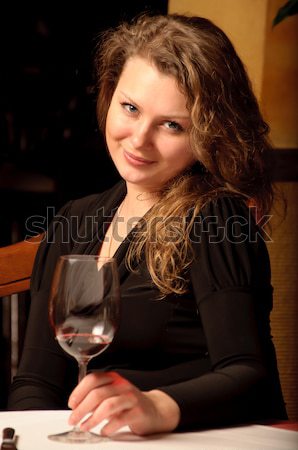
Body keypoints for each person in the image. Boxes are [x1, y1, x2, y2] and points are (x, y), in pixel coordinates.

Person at [8, 14, 287, 435]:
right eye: (131, 108)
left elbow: (250, 375)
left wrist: (157, 405)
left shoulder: (216, 218)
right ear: (109, 96)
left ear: (207, 135)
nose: (139, 139)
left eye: (172, 125)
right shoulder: (74, 219)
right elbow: (35, 383)